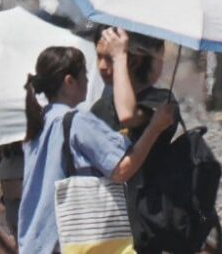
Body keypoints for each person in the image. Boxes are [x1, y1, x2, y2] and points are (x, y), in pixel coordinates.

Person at [18, 46, 175, 253]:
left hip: (36, 243)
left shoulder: (40, 121)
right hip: (67, 243)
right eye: (84, 73)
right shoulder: (77, 122)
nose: (88, 79)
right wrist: (155, 127)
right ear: (69, 81)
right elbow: (121, 170)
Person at [89, 29, 179, 253]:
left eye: (108, 58)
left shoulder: (161, 103)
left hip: (143, 227)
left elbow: (128, 115)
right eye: (98, 57)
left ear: (134, 61)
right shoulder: (100, 108)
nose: (100, 66)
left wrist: (120, 56)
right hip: (104, 225)